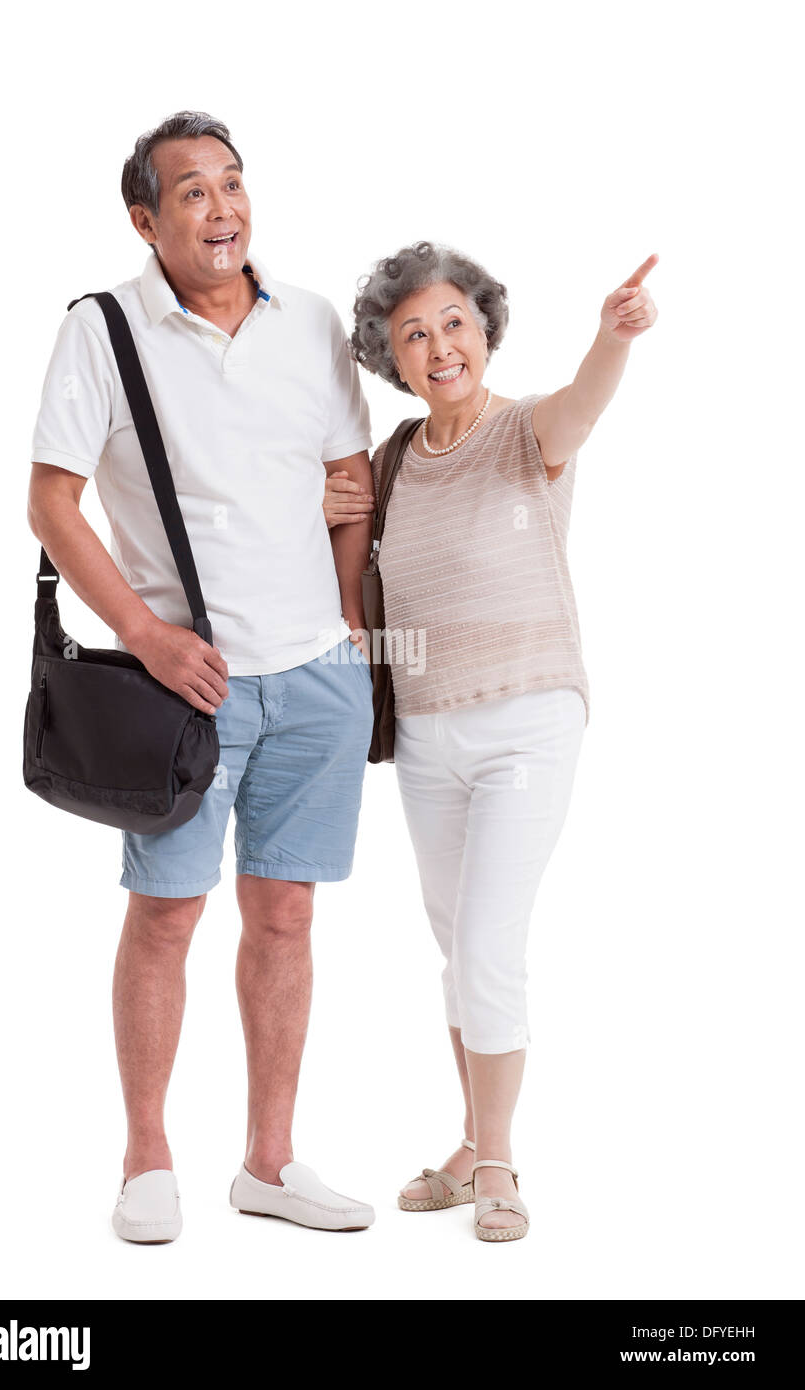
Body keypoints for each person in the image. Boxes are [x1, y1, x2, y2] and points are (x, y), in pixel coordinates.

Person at [27, 111, 378, 1242]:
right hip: (188, 686)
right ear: (145, 218)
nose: (222, 208)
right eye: (191, 192)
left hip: (317, 679)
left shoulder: (313, 322)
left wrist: (347, 630)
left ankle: (268, 1162)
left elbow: (346, 482)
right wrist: (144, 630)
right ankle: (145, 1159)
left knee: (284, 916)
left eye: (232, 183)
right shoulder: (103, 329)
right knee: (168, 913)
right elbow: (50, 501)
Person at [325, 239, 658, 1241]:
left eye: (453, 325)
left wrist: (609, 338)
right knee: (454, 949)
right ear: (391, 355)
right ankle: (473, 1140)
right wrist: (327, 509)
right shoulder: (389, 462)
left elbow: (582, 404)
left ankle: (500, 1159)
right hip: (425, 736)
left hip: (527, 717)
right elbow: (364, 610)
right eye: (412, 335)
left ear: (485, 329)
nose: (437, 347)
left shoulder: (524, 435)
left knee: (484, 943)